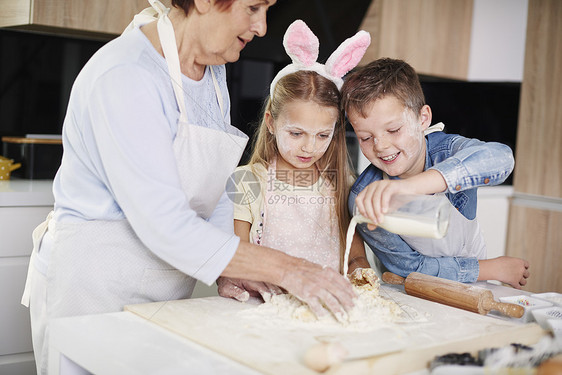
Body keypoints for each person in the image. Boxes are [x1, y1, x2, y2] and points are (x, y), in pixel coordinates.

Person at [20, 2, 357, 374]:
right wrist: (289, 269)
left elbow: (210, 197)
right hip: (94, 291)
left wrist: (232, 268)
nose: (262, 27)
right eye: (253, 7)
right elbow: (166, 225)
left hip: (166, 295)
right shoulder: (126, 75)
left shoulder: (212, 77)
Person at [341, 58, 530, 289]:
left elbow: (501, 159)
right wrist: (493, 268)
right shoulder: (365, 198)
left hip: (477, 284)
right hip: (418, 292)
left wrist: (408, 187)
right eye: (366, 138)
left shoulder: (448, 152)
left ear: (423, 119)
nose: (380, 145)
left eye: (393, 130)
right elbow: (409, 268)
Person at [219, 20, 375, 299]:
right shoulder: (247, 181)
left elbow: (355, 261)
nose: (309, 147)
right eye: (296, 133)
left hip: (326, 311)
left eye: (322, 135)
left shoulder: (343, 185)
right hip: (264, 311)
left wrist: (363, 281)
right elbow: (236, 259)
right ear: (270, 122)